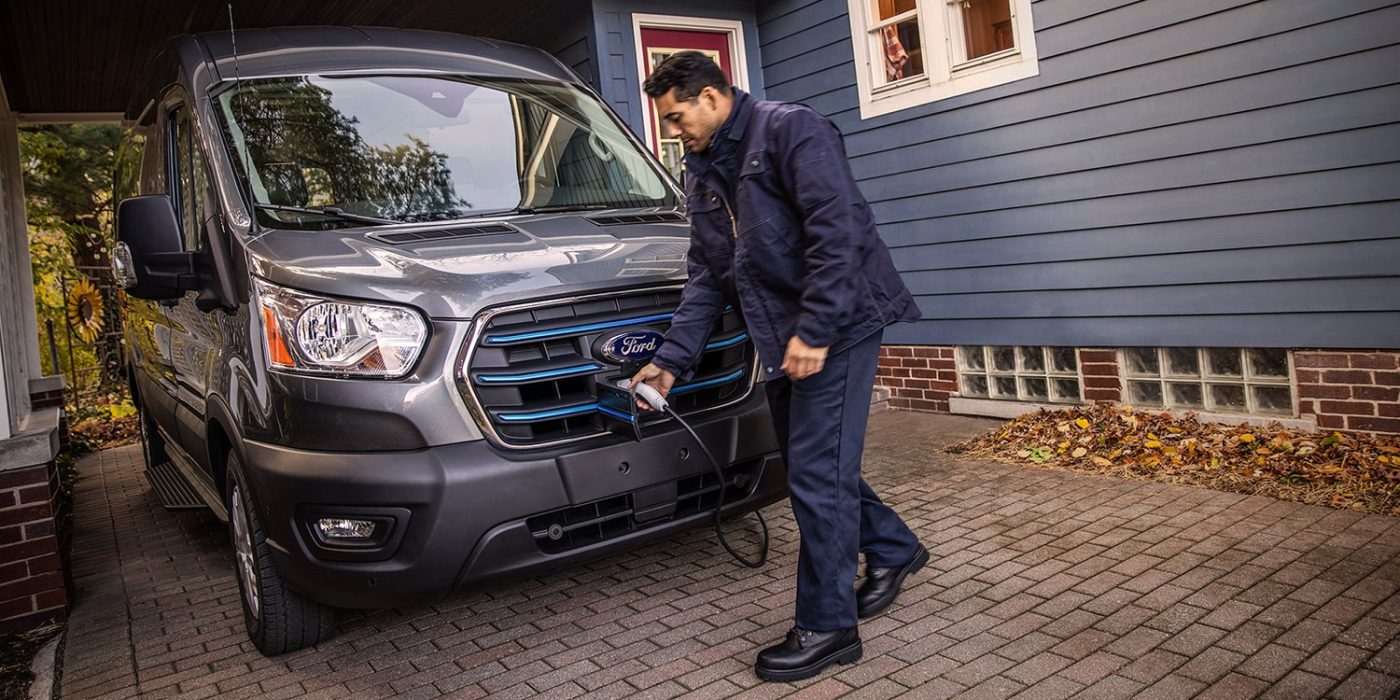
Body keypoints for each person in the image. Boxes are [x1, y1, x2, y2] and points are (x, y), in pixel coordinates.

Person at [629, 51, 929, 682]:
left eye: (678, 117)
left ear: (711, 97)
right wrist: (668, 363)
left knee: (819, 476)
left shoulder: (792, 130)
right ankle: (895, 548)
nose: (674, 131)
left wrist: (815, 329)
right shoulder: (704, 169)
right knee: (811, 468)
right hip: (784, 337)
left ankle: (828, 627)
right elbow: (709, 276)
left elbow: (838, 230)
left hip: (839, 324)